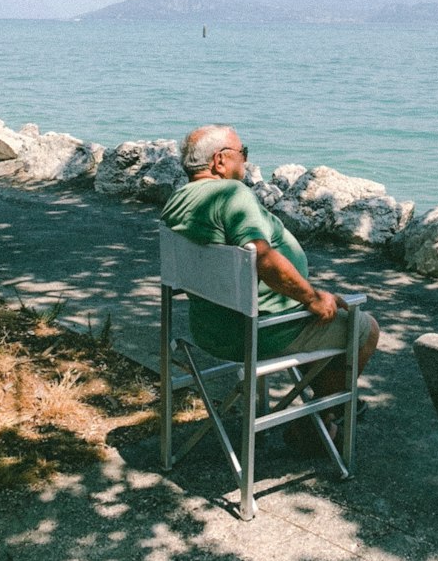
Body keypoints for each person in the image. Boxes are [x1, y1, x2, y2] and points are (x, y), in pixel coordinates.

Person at [160, 124, 379, 447]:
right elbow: (262, 258)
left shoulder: (178, 200)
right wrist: (312, 297)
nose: (246, 161)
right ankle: (314, 424)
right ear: (220, 161)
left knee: (328, 324)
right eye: (243, 153)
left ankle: (325, 401)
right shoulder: (230, 194)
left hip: (210, 327)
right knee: (363, 328)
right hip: (257, 331)